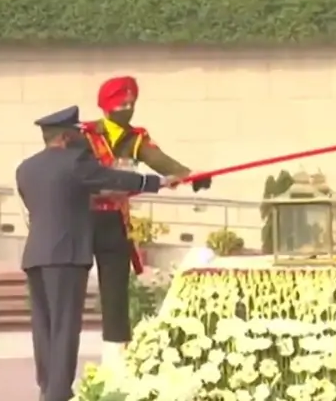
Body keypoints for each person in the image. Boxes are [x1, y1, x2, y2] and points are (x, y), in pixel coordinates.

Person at [16, 105, 177, 401]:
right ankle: (59, 393)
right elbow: (112, 178)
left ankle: (46, 387)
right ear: (65, 137)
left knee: (44, 325)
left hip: (36, 254)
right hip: (66, 255)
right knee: (65, 325)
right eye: (76, 134)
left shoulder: (26, 167)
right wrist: (157, 182)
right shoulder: (74, 161)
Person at [79, 75, 212, 369]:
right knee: (73, 287)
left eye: (131, 103)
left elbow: (160, 161)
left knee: (115, 289)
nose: (127, 107)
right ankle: (63, 351)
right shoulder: (85, 135)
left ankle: (114, 357)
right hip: (80, 218)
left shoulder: (136, 138)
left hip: (113, 218)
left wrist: (190, 175)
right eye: (121, 103)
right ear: (106, 106)